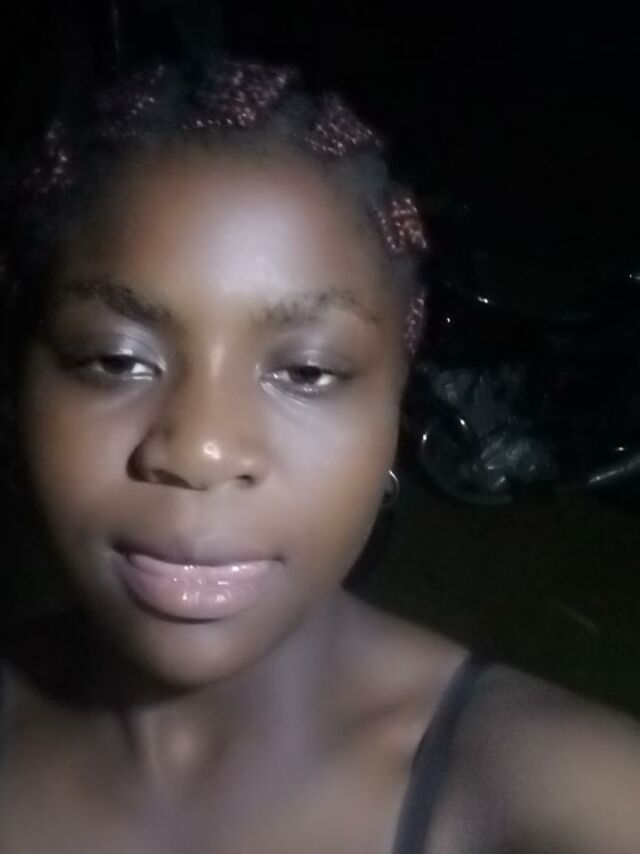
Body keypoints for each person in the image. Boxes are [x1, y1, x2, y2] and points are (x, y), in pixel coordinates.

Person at [0, 52, 639, 854]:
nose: (201, 449)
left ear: (395, 405)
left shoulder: (558, 790)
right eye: (116, 359)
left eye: (306, 372)